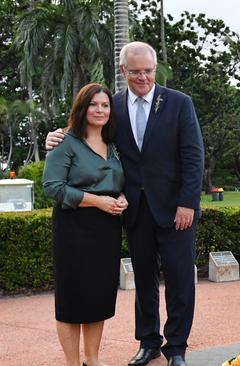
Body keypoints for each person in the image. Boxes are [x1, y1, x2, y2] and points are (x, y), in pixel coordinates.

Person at [46, 41, 204, 366]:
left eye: (148, 71)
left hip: (177, 211)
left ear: (154, 69)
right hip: (134, 210)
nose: (143, 77)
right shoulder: (112, 106)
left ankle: (176, 348)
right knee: (143, 279)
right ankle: (148, 343)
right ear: (123, 71)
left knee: (179, 280)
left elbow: (193, 156)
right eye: (136, 72)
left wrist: (188, 203)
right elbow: (85, 126)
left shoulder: (179, 103)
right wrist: (56, 135)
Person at [43, 83, 128, 366]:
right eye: (94, 104)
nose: (100, 110)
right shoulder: (64, 142)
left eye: (105, 105)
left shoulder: (114, 144)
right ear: (82, 107)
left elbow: (120, 182)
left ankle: (92, 359)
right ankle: (71, 362)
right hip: (73, 226)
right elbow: (52, 187)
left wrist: (121, 198)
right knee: (72, 298)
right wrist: (97, 201)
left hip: (107, 229)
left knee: (98, 295)